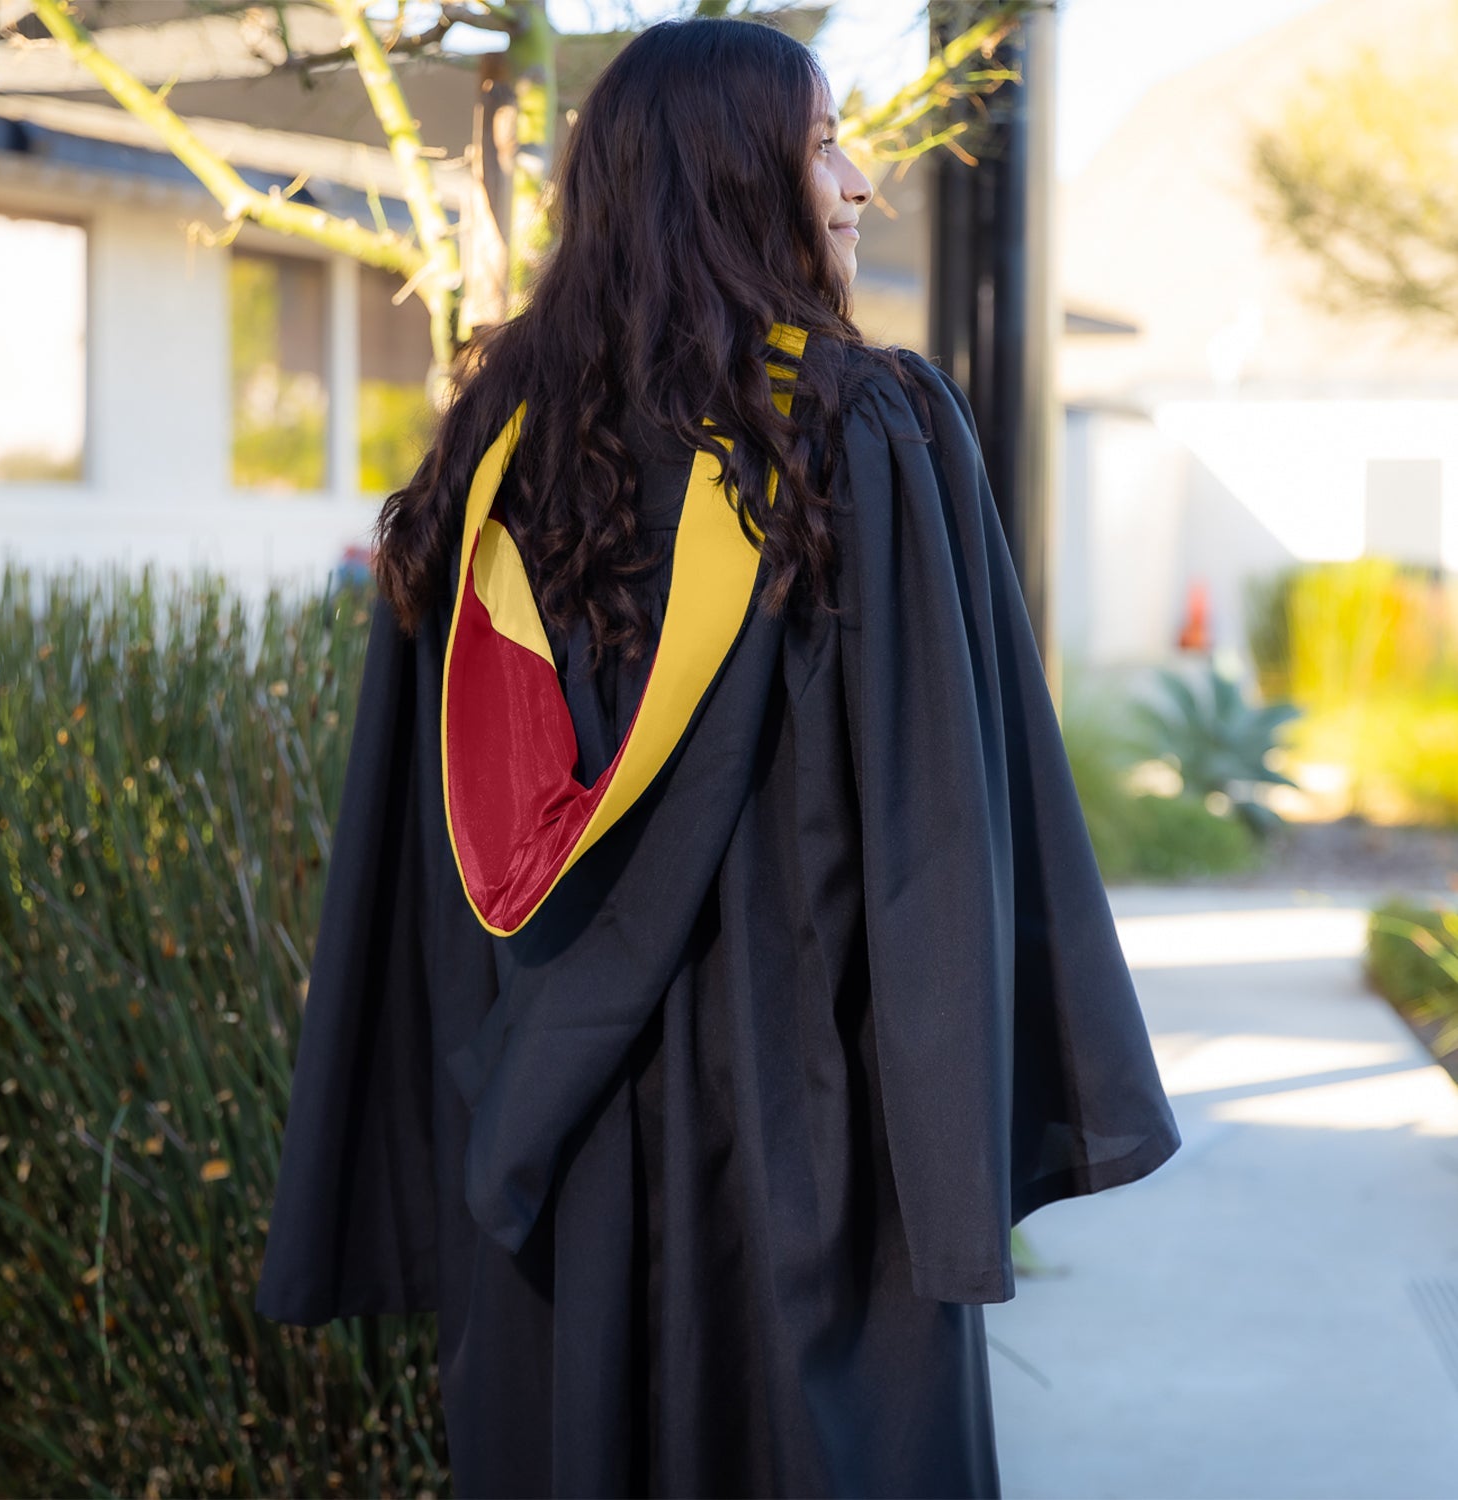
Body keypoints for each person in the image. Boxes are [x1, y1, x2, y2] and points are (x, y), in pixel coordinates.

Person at [254, 16, 1182, 1500]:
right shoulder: (862, 431)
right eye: (822, 143)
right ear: (730, 179)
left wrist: (467, 1130)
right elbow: (942, 832)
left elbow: (428, 875)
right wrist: (951, 1176)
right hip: (802, 1153)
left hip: (545, 1151)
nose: (860, 182)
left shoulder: (489, 460)